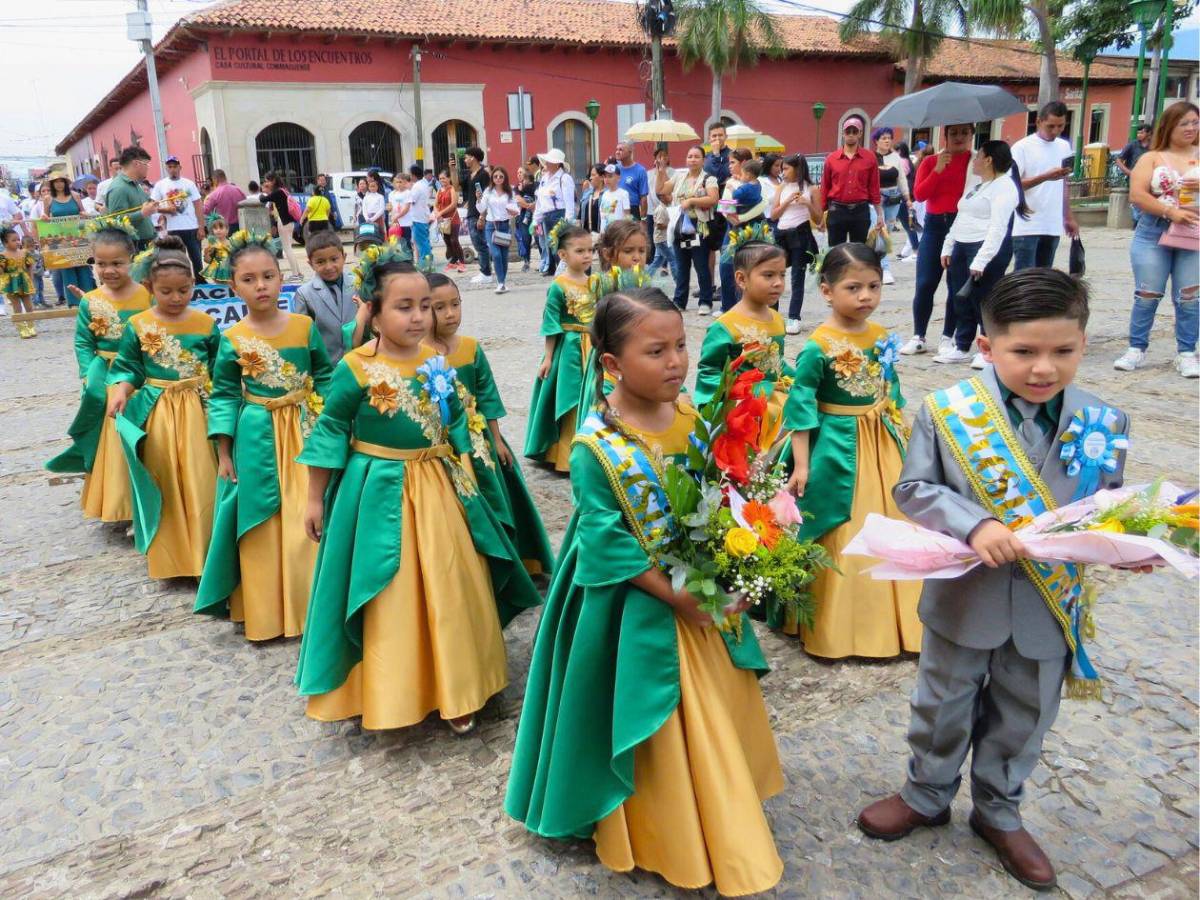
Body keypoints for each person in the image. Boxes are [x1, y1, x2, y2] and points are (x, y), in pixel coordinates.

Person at [857, 269, 1130, 893]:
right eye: (1024, 351)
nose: (1044, 368)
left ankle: (999, 811)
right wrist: (975, 522)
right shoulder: (949, 412)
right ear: (986, 346)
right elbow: (914, 488)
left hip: (1049, 602)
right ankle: (925, 794)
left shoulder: (1106, 420)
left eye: (1063, 351)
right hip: (966, 595)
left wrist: (1126, 545)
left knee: (1026, 712)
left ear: (1084, 344)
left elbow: (1108, 503)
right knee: (942, 703)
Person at [506, 286, 785, 896]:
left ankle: (717, 789)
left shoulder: (692, 419)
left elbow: (722, 495)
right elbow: (607, 543)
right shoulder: (594, 446)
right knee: (638, 704)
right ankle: (659, 820)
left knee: (709, 705)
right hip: (630, 599)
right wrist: (678, 595)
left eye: (681, 345)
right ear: (612, 364)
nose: (676, 362)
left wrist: (744, 550)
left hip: (698, 585)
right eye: (656, 351)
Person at [293, 247, 541, 734]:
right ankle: (394, 688)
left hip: (439, 487)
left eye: (424, 306)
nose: (418, 317)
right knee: (390, 587)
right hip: (376, 489)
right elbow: (329, 432)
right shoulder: (355, 368)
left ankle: (459, 686)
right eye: (404, 307)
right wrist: (314, 498)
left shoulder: (436, 362)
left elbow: (456, 425)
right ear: (373, 311)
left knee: (452, 581)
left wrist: (473, 476)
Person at [781, 243, 919, 655]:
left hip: (881, 441)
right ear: (826, 290)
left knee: (896, 518)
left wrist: (898, 427)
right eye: (853, 288)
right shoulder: (818, 346)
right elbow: (801, 408)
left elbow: (890, 387)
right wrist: (801, 465)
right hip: (836, 444)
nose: (865, 297)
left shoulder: (881, 336)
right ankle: (838, 625)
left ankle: (904, 619)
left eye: (873, 286)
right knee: (841, 527)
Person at [196, 231, 333, 641]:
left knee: (307, 512)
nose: (261, 286)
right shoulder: (232, 339)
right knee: (263, 520)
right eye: (249, 279)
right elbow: (223, 394)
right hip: (257, 433)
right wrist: (224, 452)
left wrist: (332, 424)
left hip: (306, 428)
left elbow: (325, 377)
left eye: (269, 276)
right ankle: (267, 610)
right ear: (233, 286)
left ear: (281, 278)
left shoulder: (304, 327)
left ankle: (310, 609)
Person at [106, 236, 220, 579]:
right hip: (159, 413)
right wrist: (121, 390)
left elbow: (220, 369)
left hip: (199, 410)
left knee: (202, 479)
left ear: (193, 284)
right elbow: (128, 366)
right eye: (166, 291)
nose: (176, 298)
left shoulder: (206, 324)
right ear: (149, 287)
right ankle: (172, 558)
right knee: (165, 478)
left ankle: (206, 557)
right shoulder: (139, 325)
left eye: (184, 290)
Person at [424, 272, 554, 574]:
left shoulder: (470, 348)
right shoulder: (418, 353)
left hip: (477, 439)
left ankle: (511, 560)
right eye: (439, 307)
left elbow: (487, 395)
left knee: (494, 495)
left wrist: (496, 439)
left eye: (455, 304)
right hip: (441, 441)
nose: (450, 313)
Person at [46, 223, 152, 518]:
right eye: (101, 264)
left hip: (142, 373)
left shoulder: (146, 296)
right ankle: (122, 504)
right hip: (107, 377)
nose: (109, 270)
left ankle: (147, 498)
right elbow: (83, 341)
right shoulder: (91, 301)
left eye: (117, 263)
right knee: (113, 437)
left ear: (132, 259)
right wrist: (86, 373)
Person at [1115, 101, 1200, 378]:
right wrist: (1170, 211)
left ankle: (1186, 352)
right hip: (1154, 229)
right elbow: (1137, 195)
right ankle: (1136, 348)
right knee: (1148, 292)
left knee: (1190, 296)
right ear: (1169, 126)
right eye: (1184, 123)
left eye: (1195, 122)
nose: (1191, 128)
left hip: (1194, 231)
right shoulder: (1151, 158)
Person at [934, 141, 1026, 369]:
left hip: (984, 246)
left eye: (978, 157)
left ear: (988, 160)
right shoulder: (978, 185)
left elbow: (998, 227)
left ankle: (989, 347)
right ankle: (962, 345)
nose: (974, 160)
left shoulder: (1004, 187)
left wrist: (982, 259)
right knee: (960, 296)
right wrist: (948, 245)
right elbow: (962, 216)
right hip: (962, 244)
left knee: (983, 298)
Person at [694, 241, 792, 451]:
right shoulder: (725, 327)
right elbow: (709, 372)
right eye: (768, 275)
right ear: (741, 279)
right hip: (747, 409)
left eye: (782, 275)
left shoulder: (777, 319)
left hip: (780, 402)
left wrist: (800, 379)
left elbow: (776, 362)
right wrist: (743, 393)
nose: (778, 283)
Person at [524, 225, 595, 472]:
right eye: (580, 251)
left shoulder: (594, 282)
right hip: (568, 350)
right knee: (571, 398)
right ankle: (565, 455)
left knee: (592, 396)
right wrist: (548, 358)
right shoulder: (558, 286)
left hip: (592, 347)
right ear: (563, 255)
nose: (587, 256)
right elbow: (551, 323)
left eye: (590, 250)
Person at [901, 123, 976, 356]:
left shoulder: (976, 163)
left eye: (964, 133)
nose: (959, 137)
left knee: (955, 284)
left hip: (961, 224)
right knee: (925, 282)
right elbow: (920, 194)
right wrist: (938, 170)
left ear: (972, 135)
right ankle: (919, 335)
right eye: (954, 133)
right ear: (945, 135)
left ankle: (947, 336)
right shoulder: (931, 161)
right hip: (934, 225)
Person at [577, 220, 651, 416]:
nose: (637, 257)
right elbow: (593, 322)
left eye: (642, 251)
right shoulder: (602, 283)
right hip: (610, 358)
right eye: (628, 251)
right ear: (608, 254)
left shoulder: (646, 282)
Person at [1011, 101, 1078, 271]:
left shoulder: (1064, 146)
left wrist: (1068, 216)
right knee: (1025, 277)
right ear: (1039, 122)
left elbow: (1065, 183)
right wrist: (1045, 177)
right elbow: (1013, 185)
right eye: (1051, 126)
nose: (1055, 131)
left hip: (1052, 223)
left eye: (1060, 126)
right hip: (1027, 224)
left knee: (1045, 277)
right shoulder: (1021, 147)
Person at [293, 229, 357, 364]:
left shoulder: (358, 284)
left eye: (334, 259)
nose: (329, 267)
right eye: (320, 262)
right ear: (311, 264)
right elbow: (302, 335)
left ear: (344, 257)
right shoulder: (304, 294)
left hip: (358, 362)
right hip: (326, 367)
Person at [667, 146, 719, 312]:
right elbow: (662, 190)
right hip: (680, 224)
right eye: (690, 156)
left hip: (698, 225)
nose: (692, 159)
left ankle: (705, 301)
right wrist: (660, 171)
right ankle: (679, 301)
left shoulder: (709, 179)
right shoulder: (679, 176)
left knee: (701, 264)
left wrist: (691, 201)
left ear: (703, 160)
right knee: (681, 265)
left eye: (696, 156)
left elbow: (713, 199)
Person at [772, 153, 819, 334]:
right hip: (781, 233)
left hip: (800, 232)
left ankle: (794, 317)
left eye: (786, 168)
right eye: (782, 168)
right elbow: (774, 215)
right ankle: (772, 315)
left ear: (797, 169)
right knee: (775, 273)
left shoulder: (811, 188)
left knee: (797, 277)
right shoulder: (782, 187)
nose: (783, 172)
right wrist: (787, 201)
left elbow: (818, 218)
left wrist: (807, 203)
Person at [819, 116, 884, 246]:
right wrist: (821, 215)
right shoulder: (831, 159)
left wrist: (879, 214)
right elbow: (825, 187)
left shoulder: (870, 158)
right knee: (836, 250)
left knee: (859, 250)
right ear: (843, 133)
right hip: (837, 210)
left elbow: (874, 187)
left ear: (860, 133)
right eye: (848, 131)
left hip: (860, 210)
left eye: (855, 131)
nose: (851, 135)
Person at [717, 152, 767, 312]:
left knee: (748, 267)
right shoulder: (732, 181)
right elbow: (724, 206)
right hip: (732, 227)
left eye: (733, 162)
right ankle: (727, 308)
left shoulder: (758, 182)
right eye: (729, 163)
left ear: (744, 163)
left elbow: (763, 204)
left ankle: (747, 307)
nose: (729, 166)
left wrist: (741, 218)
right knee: (726, 266)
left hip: (752, 228)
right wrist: (732, 218)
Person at [42, 173, 97, 304]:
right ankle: (73, 301)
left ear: (66, 183)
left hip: (79, 236)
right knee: (67, 269)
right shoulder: (48, 199)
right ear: (52, 184)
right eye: (56, 182)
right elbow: (45, 217)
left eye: (61, 181)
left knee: (84, 267)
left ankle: (88, 298)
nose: (59, 184)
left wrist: (84, 214)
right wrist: (44, 218)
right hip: (60, 239)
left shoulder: (75, 195)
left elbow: (82, 212)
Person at [152, 156, 206, 281]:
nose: (172, 169)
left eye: (175, 166)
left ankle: (201, 282)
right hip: (172, 229)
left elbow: (198, 205)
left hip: (191, 227)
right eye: (170, 167)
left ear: (180, 167)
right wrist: (166, 210)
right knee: (176, 259)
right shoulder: (160, 185)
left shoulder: (189, 184)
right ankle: (181, 281)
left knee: (196, 258)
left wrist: (201, 227)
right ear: (166, 168)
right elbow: (152, 205)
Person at [872, 127, 912, 285]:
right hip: (877, 200)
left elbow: (901, 179)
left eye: (889, 138)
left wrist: (907, 198)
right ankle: (884, 268)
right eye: (883, 138)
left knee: (886, 233)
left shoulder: (896, 157)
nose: (887, 141)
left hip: (894, 198)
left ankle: (878, 265)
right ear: (876, 141)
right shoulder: (871, 157)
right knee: (879, 231)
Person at [534, 149, 576, 276]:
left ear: (557, 164)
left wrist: (567, 221)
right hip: (546, 215)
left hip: (559, 214)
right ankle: (557, 270)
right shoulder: (544, 179)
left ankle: (565, 272)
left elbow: (569, 202)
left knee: (559, 245)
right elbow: (540, 201)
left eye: (549, 161)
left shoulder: (564, 178)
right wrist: (536, 220)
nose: (546, 163)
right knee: (551, 245)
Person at [703, 123, 733, 297]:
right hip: (710, 204)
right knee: (709, 246)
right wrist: (714, 156)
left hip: (727, 202)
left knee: (725, 245)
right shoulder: (706, 158)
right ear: (709, 138)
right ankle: (709, 285)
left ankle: (725, 285)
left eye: (720, 135)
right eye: (714, 136)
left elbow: (721, 175)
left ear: (725, 136)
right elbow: (709, 177)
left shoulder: (731, 155)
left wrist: (716, 156)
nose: (717, 139)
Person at [481, 166, 519, 295]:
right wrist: (478, 199)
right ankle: (500, 283)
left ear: (505, 178)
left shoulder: (510, 191)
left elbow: (516, 208)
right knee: (496, 254)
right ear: (492, 178)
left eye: (501, 176)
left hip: (504, 226)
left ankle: (502, 282)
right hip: (491, 226)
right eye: (495, 176)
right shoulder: (488, 191)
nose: (498, 178)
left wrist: (511, 209)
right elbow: (481, 208)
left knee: (503, 256)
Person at [258, 173, 302, 278]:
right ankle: (298, 273)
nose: (266, 183)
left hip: (284, 222)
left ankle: (295, 274)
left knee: (287, 249)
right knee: (289, 248)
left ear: (273, 181)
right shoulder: (283, 190)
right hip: (290, 222)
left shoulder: (278, 192)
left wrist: (262, 191)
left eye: (267, 181)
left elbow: (262, 199)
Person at [463, 147, 494, 284]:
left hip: (478, 214)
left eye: (466, 157)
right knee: (478, 244)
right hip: (471, 212)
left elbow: (485, 196)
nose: (465, 160)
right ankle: (484, 271)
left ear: (473, 158)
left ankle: (486, 273)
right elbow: (457, 186)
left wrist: (482, 216)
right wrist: (452, 170)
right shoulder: (470, 174)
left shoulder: (483, 175)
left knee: (480, 244)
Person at [1, 226, 35, 337]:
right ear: (5, 243)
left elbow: (30, 266)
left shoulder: (24, 253)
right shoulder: (3, 256)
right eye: (14, 240)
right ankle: (21, 328)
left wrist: (30, 278)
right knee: (17, 306)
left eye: (18, 239)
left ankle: (31, 326)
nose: (17, 242)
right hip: (11, 283)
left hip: (24, 281)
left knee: (29, 305)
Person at [648, 147, 676, 279]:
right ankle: (678, 280)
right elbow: (653, 192)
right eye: (659, 156)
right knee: (669, 255)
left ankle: (660, 269)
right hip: (655, 208)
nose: (662, 158)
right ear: (655, 159)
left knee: (661, 255)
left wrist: (662, 170)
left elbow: (669, 188)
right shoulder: (649, 174)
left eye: (665, 156)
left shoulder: (672, 172)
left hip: (667, 208)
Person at [893, 140, 922, 258]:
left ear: (900, 151)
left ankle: (916, 250)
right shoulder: (907, 161)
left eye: (895, 150)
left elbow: (899, 179)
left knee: (909, 225)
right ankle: (914, 250)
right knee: (910, 225)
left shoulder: (902, 162)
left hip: (902, 198)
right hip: (907, 198)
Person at [434, 171, 465, 273]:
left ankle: (462, 262)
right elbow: (435, 205)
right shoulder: (439, 190)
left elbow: (453, 204)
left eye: (444, 178)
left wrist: (441, 212)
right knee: (447, 242)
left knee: (454, 240)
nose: (442, 180)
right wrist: (437, 214)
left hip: (453, 219)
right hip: (442, 220)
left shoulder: (452, 189)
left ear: (449, 178)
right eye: (440, 178)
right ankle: (453, 260)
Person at [614, 140, 649, 221]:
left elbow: (643, 198)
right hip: (615, 207)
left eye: (621, 150)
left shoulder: (640, 170)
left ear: (630, 152)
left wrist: (643, 219)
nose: (617, 152)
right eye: (617, 149)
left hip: (632, 209)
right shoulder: (615, 169)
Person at [408, 164, 435, 265]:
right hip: (422, 216)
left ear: (413, 175)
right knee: (424, 241)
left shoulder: (417, 186)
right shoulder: (424, 184)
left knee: (421, 242)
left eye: (410, 174)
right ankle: (425, 262)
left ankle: (425, 263)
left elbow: (411, 200)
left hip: (418, 218)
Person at [597, 160, 631, 232]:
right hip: (605, 233)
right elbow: (603, 217)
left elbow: (627, 216)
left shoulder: (623, 194)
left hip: (617, 233)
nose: (607, 179)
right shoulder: (604, 195)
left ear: (618, 178)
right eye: (605, 176)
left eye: (610, 176)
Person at [514, 166, 537, 272]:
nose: (518, 174)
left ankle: (545, 261)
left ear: (526, 174)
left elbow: (539, 198)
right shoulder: (517, 187)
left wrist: (532, 205)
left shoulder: (535, 185)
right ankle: (526, 262)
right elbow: (519, 201)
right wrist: (530, 206)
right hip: (523, 216)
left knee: (538, 238)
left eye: (521, 172)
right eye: (517, 172)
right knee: (525, 238)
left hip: (536, 214)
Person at [200, 213, 233, 284]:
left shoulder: (231, 243)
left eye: (221, 228)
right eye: (215, 228)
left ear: (227, 230)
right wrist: (206, 255)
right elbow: (208, 260)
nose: (218, 230)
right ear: (213, 231)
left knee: (230, 285)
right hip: (216, 271)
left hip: (229, 270)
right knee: (219, 285)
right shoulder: (212, 245)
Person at [386, 172, 413, 250]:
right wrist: (391, 213)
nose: (398, 184)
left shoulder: (408, 193)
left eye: (400, 182)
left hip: (406, 223)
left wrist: (397, 217)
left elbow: (406, 208)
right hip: (396, 223)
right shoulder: (392, 194)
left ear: (405, 182)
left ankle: (409, 257)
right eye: (397, 182)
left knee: (406, 243)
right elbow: (390, 207)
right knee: (397, 244)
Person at [578, 163, 605, 239]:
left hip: (601, 236)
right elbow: (580, 216)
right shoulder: (587, 193)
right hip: (586, 235)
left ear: (602, 177)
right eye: (590, 175)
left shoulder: (607, 195)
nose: (590, 178)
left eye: (593, 175)